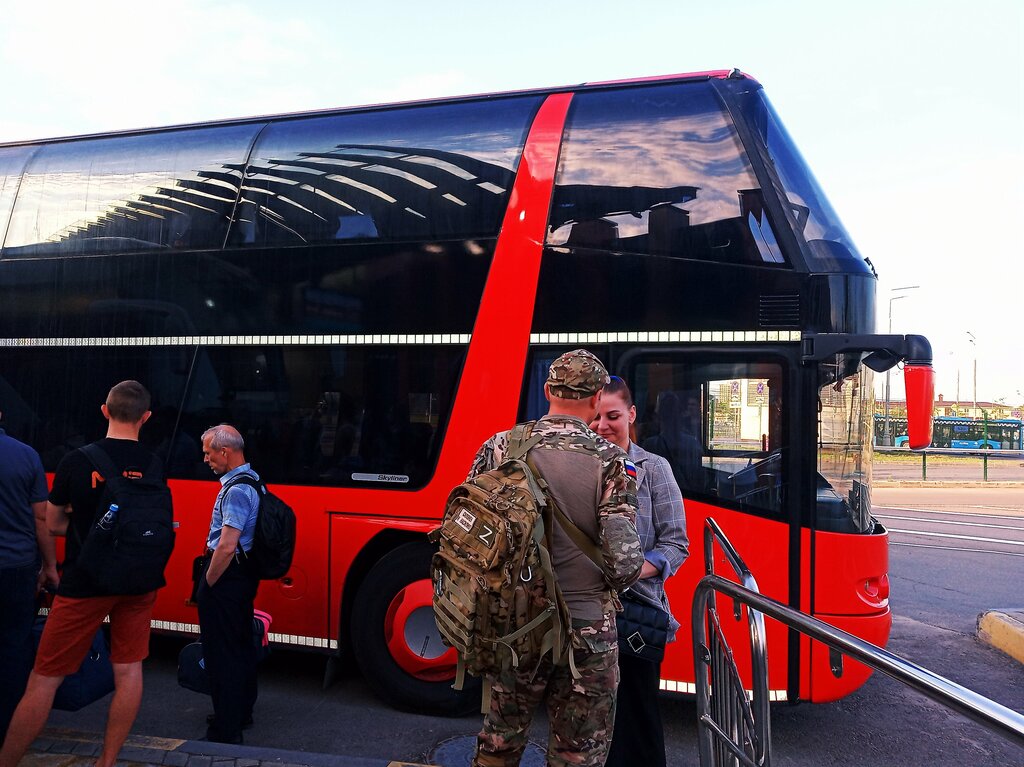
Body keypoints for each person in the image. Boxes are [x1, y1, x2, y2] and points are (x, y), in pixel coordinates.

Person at [470, 349, 644, 767]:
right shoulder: (612, 461)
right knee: (576, 753)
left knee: (500, 742)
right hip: (586, 632)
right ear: (597, 398)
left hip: (514, 626)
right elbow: (624, 563)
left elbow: (469, 534)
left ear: (548, 390)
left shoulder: (500, 447)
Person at [0, 381, 163, 767]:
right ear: (145, 417)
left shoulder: (78, 460)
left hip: (86, 583)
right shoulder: (155, 462)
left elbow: (54, 524)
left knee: (44, 677)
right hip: (139, 580)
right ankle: (106, 761)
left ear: (104, 411)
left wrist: (82, 516)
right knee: (129, 671)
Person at [590, 376, 689, 767]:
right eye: (596, 417)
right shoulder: (582, 466)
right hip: (585, 613)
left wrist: (632, 572)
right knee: (589, 722)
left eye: (613, 416)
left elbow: (676, 544)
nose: (603, 426)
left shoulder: (654, 469)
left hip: (635, 613)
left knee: (638, 717)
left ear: (631, 414)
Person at [197, 424, 260, 744]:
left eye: (208, 453)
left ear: (225, 452)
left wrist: (208, 581)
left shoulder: (235, 491)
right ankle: (241, 712)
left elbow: (226, 544)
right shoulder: (254, 480)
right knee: (240, 645)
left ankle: (227, 728)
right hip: (242, 575)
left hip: (226, 576)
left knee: (222, 653)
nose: (205, 459)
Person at [0, 410, 56, 741]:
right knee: (13, 646)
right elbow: (40, 519)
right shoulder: (26, 454)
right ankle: (8, 725)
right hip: (17, 567)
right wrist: (50, 566)